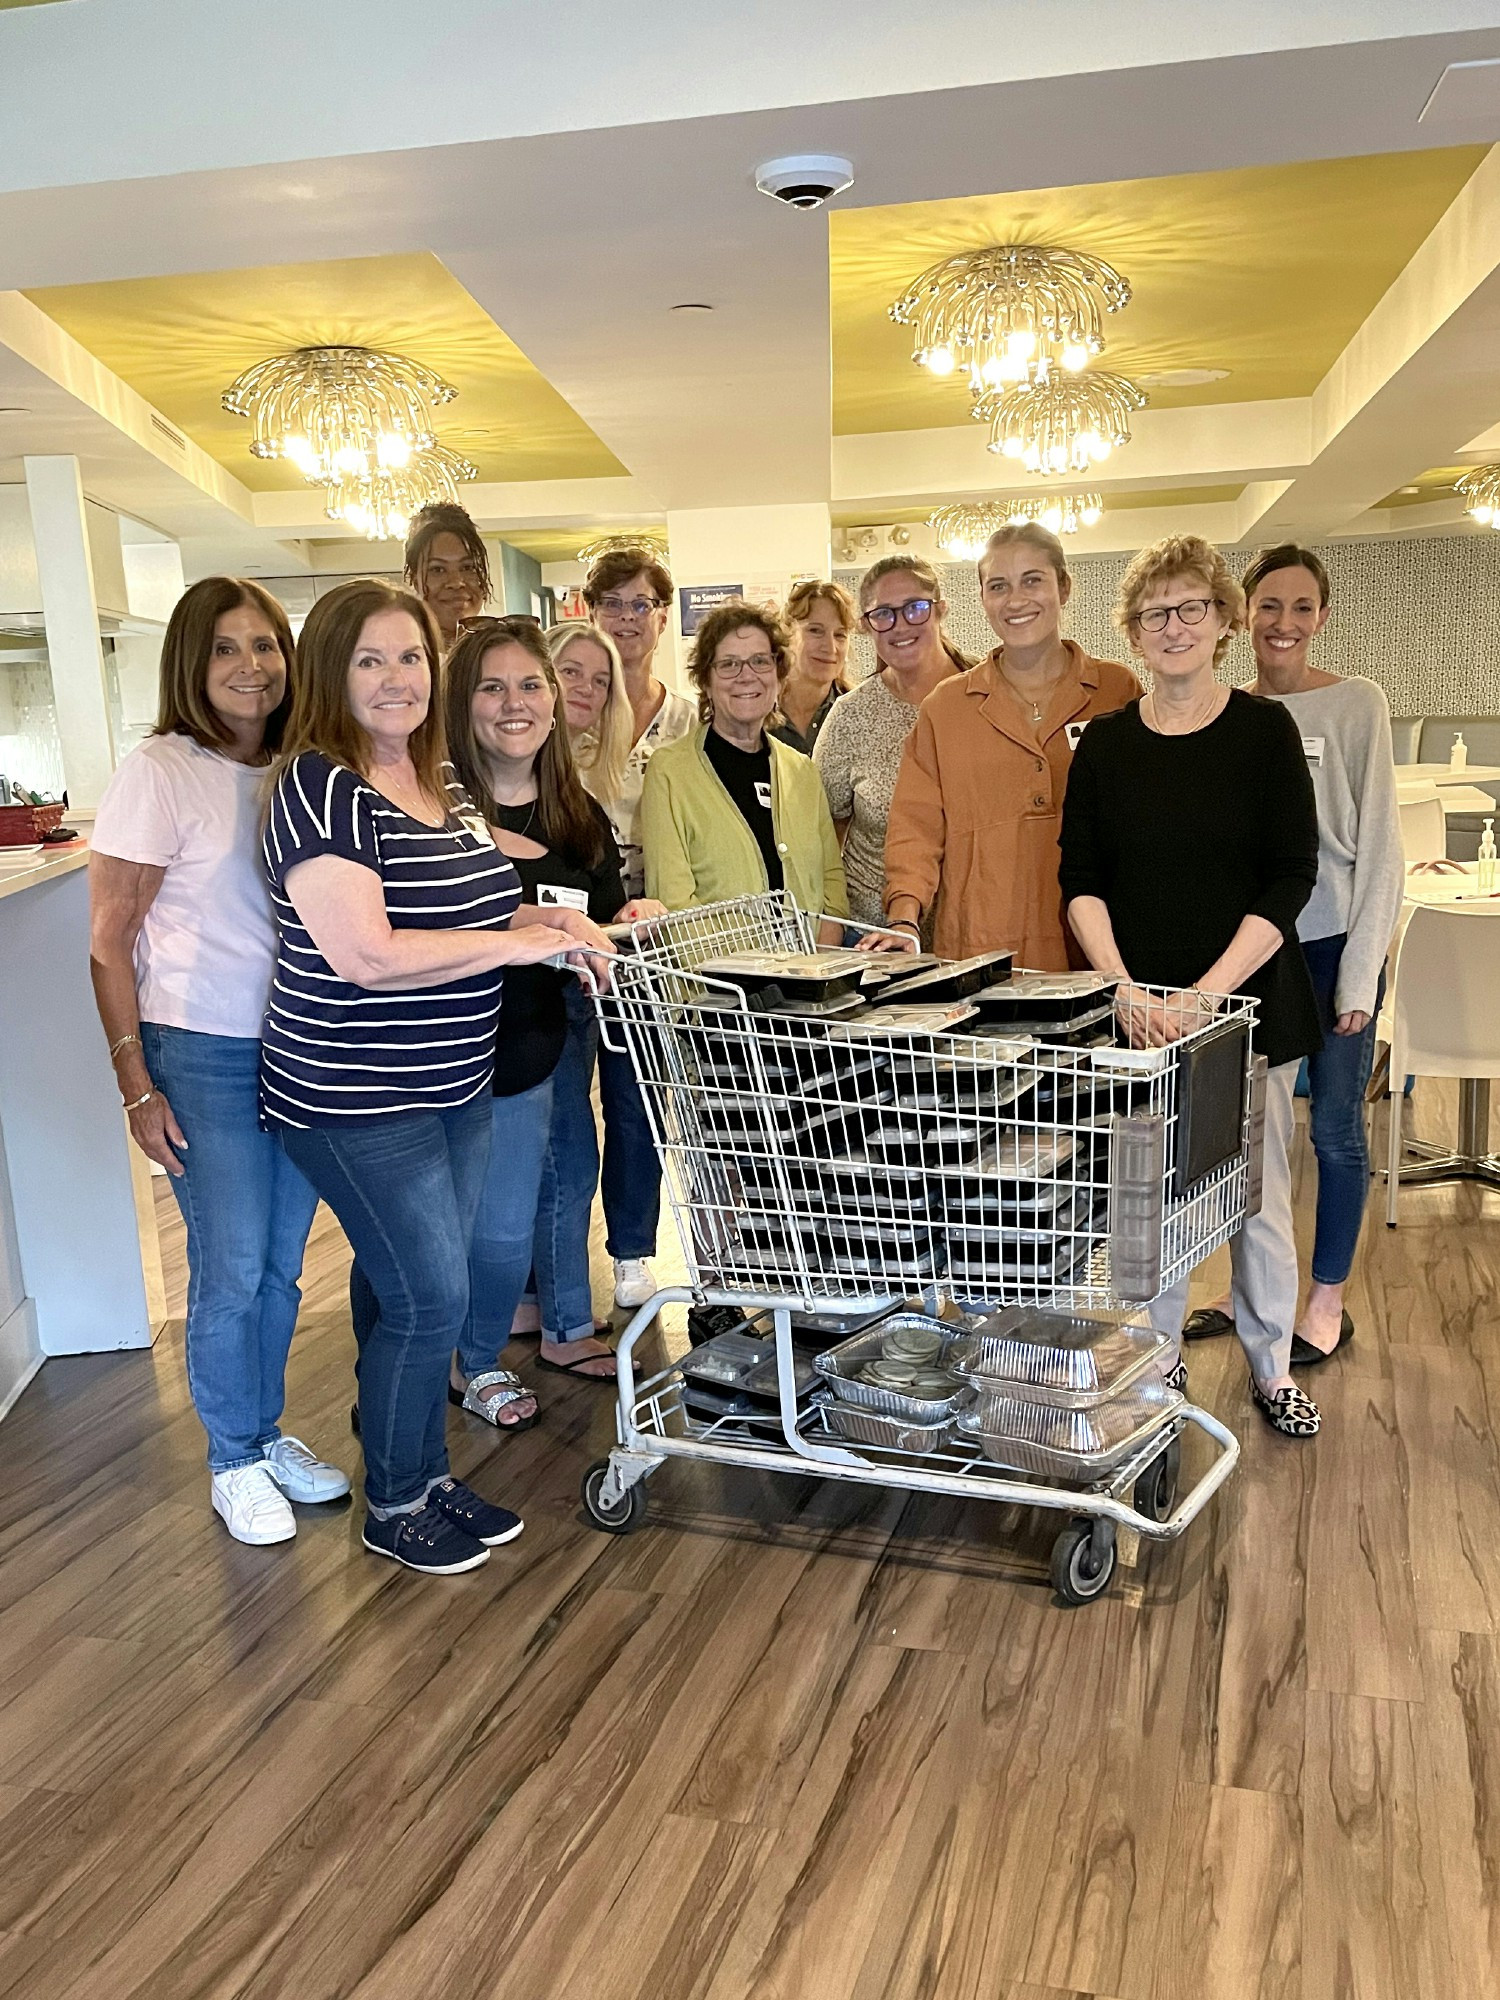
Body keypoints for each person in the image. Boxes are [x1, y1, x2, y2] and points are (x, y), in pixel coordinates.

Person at [261, 578, 611, 1574]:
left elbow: (481, 910)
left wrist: (550, 922)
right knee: (430, 1295)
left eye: (410, 656)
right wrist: (516, 950)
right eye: (369, 659)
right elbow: (364, 954)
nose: (396, 677)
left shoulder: (438, 778)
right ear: (331, 672)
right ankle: (398, 1499)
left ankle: (421, 1469)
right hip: (355, 1095)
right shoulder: (318, 784)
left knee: (396, 1290)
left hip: (454, 1081)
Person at [89, 577, 344, 1548]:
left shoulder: (303, 766)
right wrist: (135, 1083)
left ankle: (263, 1429)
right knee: (232, 1265)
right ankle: (232, 1456)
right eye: (227, 649)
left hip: (301, 1049)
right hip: (201, 1053)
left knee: (282, 1269)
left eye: (266, 646)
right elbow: (110, 939)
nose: (252, 667)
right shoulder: (161, 769)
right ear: (191, 664)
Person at [1060, 533, 1324, 1439]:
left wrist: (1205, 995)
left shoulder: (1263, 731)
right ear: (1133, 632)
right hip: (1137, 1017)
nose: (1172, 627)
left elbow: (1292, 876)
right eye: (1154, 613)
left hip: (1247, 1004)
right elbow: (1080, 880)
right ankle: (1157, 1361)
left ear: (1221, 623)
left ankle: (1272, 1365)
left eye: (1191, 610)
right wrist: (1125, 990)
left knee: (1258, 1201)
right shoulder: (1104, 745)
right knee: (1152, 1204)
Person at [1182, 546, 1402, 1367]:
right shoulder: (1225, 710)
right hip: (1257, 956)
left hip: (1334, 946)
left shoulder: (1357, 706)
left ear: (1321, 616)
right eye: (1269, 606)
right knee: (1248, 1139)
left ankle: (1326, 1296)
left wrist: (1360, 976)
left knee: (1336, 1131)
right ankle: (1253, 1294)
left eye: (1301, 607)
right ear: (1244, 615)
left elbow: (1381, 848)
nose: (1284, 623)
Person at [443, 616, 659, 1412]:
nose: (514, 704)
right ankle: (463, 1353)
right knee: (457, 1216)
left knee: (552, 1183)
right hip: (454, 1044)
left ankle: (529, 1333)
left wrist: (629, 918)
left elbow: (601, 909)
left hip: (547, 1034)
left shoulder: (575, 809)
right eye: (491, 688)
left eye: (530, 684)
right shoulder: (435, 812)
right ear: (459, 703)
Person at [884, 524, 1140, 964]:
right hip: (979, 955)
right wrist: (904, 919)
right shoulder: (945, 708)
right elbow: (915, 830)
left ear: (1064, 587)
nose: (1016, 600)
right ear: (983, 599)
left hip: (1100, 954)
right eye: (998, 586)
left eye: (1032, 580)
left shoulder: (1117, 691)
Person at [580, 548, 695, 1308]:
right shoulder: (573, 705)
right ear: (591, 610)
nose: (629, 616)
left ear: (663, 616)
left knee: (635, 1098)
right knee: (558, 1108)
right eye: (615, 602)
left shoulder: (688, 715)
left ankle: (630, 1252)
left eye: (643, 603)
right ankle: (548, 1266)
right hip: (572, 922)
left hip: (652, 932)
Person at [641, 598, 849, 931]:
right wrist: (756, 975)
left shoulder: (802, 770)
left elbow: (831, 883)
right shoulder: (669, 772)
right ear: (705, 680)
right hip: (718, 979)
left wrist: (814, 965)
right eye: (728, 664)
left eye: (759, 662)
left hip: (811, 974)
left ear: (779, 676)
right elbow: (674, 906)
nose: (746, 676)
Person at [814, 554, 967, 931]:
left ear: (940, 610)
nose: (900, 626)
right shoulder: (851, 715)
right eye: (883, 614)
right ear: (866, 626)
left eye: (915, 608)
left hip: (973, 930)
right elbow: (822, 835)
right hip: (875, 936)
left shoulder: (986, 695)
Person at [771, 578, 854, 754]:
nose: (830, 647)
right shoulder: (758, 711)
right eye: (815, 631)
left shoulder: (858, 714)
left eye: (840, 635)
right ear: (786, 634)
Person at [403, 501, 491, 655]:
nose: (456, 583)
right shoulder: (402, 655)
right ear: (414, 580)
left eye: (467, 567)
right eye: (438, 569)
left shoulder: (502, 654)